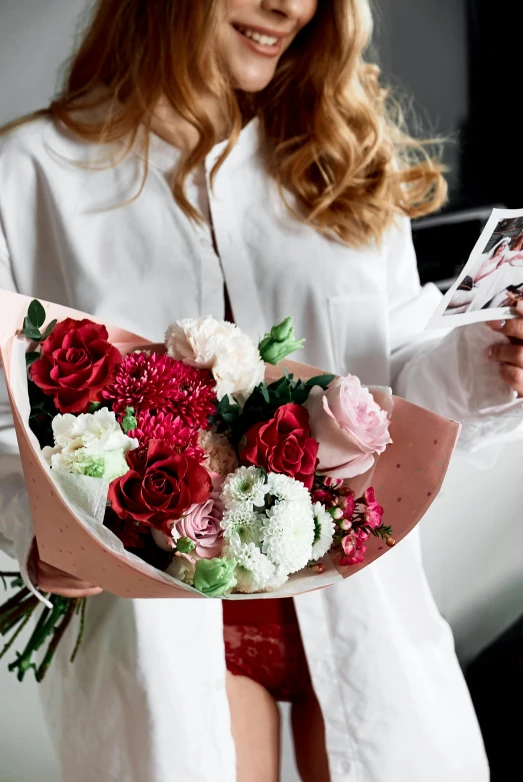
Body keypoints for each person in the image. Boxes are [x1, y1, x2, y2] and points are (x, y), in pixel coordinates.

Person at [1, 1, 522, 780]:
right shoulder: (34, 170)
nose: (288, 6)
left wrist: (492, 359)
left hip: (360, 605)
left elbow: (394, 366)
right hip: (155, 629)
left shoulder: (337, 150)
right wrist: (40, 533)